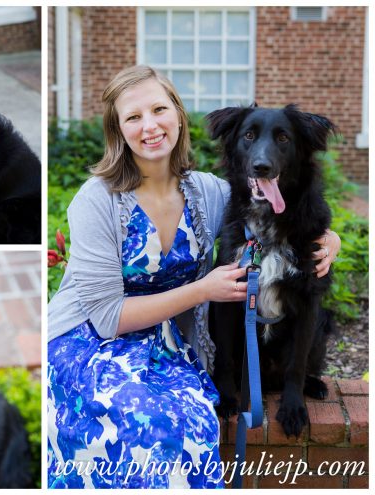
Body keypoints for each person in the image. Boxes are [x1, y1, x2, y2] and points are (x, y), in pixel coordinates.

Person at [45, 66, 340, 488]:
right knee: (141, 424)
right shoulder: (95, 200)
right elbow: (107, 317)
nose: (149, 126)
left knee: (196, 423)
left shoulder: (210, 192)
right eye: (133, 117)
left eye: (159, 109)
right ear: (118, 130)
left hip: (168, 345)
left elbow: (283, 215)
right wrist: (202, 289)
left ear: (178, 116)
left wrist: (331, 240)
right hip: (90, 340)